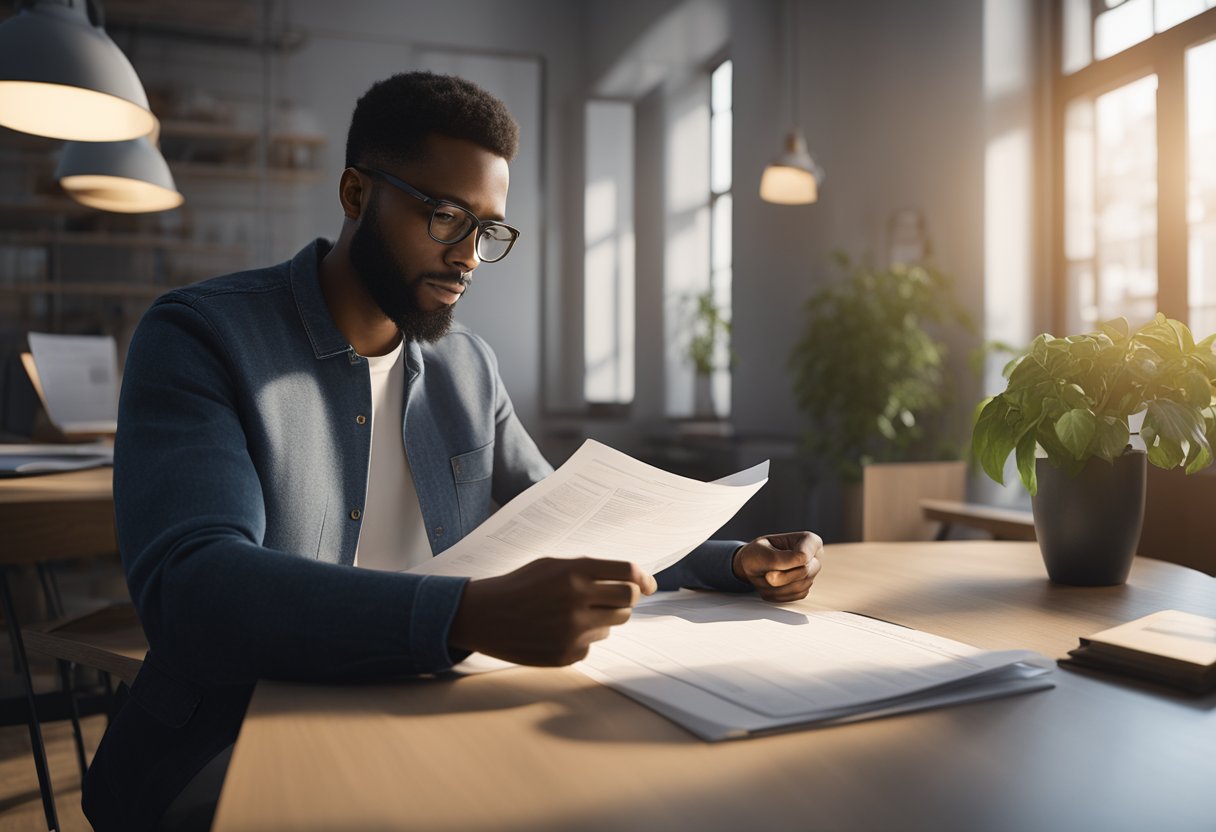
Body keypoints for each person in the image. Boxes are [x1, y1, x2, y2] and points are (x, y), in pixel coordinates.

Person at [82, 71, 823, 831]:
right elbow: (193, 587)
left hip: (419, 722)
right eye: (444, 216)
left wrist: (731, 562)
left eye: (488, 229)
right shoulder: (202, 337)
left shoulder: (467, 367)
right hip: (226, 752)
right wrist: (464, 615)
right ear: (355, 194)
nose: (469, 255)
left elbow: (571, 522)